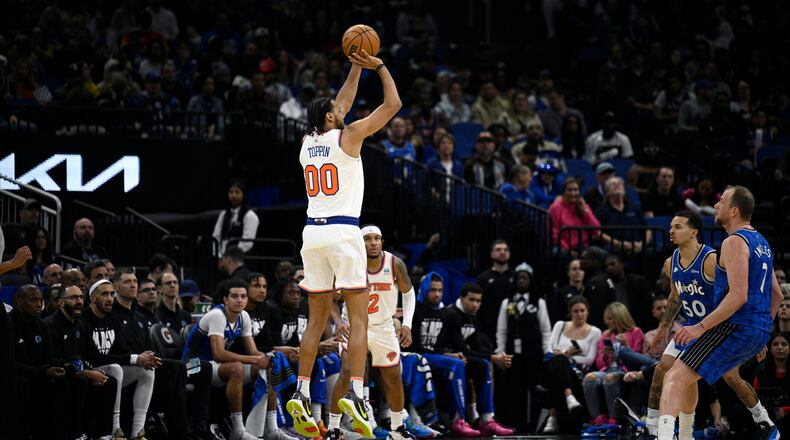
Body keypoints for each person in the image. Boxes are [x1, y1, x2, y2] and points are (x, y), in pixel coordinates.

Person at [289, 47, 401, 438]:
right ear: (331, 118)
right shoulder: (350, 136)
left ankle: (301, 393)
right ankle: (356, 392)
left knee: (316, 320)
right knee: (359, 319)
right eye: (337, 112)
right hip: (343, 232)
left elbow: (340, 102)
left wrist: (354, 65)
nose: (344, 112)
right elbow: (393, 104)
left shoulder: (307, 141)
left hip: (311, 234)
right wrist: (379, 66)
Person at [659, 186, 783, 440]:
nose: (716, 205)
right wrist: (762, 334)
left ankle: (665, 436)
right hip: (758, 329)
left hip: (735, 327)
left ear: (734, 210)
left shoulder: (734, 242)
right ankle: (765, 425)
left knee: (673, 378)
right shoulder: (763, 244)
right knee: (713, 376)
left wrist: (698, 327)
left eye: (722, 202)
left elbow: (738, 296)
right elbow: (777, 295)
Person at [326, 225, 418, 440]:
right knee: (347, 371)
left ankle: (397, 428)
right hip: (355, 327)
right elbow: (332, 298)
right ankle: (333, 428)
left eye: (377, 238)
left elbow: (409, 293)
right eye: (368, 239)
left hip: (384, 328)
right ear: (360, 242)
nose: (373, 243)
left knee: (393, 377)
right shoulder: (350, 265)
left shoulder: (394, 263)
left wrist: (407, 325)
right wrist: (339, 321)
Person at [182, 278, 272, 440]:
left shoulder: (243, 316)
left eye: (243, 296)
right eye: (234, 296)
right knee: (236, 367)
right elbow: (219, 355)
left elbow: (253, 351)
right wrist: (254, 359)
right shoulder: (217, 315)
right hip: (192, 365)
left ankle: (270, 427)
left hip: (212, 365)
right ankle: (238, 429)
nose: (239, 300)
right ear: (225, 299)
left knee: (270, 367)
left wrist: (270, 357)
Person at [83, 279, 157, 440]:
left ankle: (138, 432)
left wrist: (143, 358)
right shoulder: (84, 319)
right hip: (89, 372)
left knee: (147, 369)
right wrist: (135, 358)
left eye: (112, 294)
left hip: (110, 374)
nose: (110, 298)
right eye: (104, 294)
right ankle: (116, 430)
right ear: (92, 298)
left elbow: (121, 350)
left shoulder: (112, 318)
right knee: (116, 368)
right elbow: (93, 357)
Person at [410, 272, 482, 437]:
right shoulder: (415, 310)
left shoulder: (443, 313)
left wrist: (450, 354)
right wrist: (448, 356)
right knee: (455, 363)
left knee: (463, 363)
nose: (437, 294)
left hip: (434, 356)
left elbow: (440, 345)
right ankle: (459, 419)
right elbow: (415, 346)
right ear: (423, 290)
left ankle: (464, 418)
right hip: (416, 355)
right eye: (432, 290)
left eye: (440, 290)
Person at [45, 284, 119, 439]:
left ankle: (103, 434)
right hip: (56, 373)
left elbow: (82, 355)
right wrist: (85, 372)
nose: (79, 301)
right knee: (81, 381)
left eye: (80, 297)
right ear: (61, 302)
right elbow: (54, 360)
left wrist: (93, 370)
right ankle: (77, 433)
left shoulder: (80, 325)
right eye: (73, 298)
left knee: (109, 381)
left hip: (77, 371)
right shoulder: (50, 325)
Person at [494, 264, 550, 432]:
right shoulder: (507, 303)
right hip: (512, 352)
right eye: (519, 278)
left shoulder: (538, 302)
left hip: (533, 351)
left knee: (533, 386)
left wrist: (547, 351)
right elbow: (501, 330)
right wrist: (501, 351)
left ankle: (532, 422)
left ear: (530, 280)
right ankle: (513, 421)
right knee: (514, 386)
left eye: (525, 278)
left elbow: (545, 329)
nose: (522, 281)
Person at [10, 285, 70, 439]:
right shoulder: (7, 325)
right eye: (33, 300)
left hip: (38, 373)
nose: (39, 304)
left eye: (41, 300)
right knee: (22, 383)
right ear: (18, 302)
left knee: (62, 381)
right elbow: (9, 363)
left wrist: (57, 368)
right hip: (14, 375)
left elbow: (48, 358)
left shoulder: (42, 326)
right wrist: (42, 372)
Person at [540, 296, 601, 433]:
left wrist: (567, 356)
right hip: (553, 367)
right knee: (559, 362)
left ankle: (552, 417)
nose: (579, 314)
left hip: (577, 373)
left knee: (560, 361)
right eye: (576, 311)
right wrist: (564, 355)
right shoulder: (560, 325)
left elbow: (590, 359)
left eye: (582, 310)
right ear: (570, 312)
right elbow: (549, 349)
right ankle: (569, 396)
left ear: (587, 311)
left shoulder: (595, 332)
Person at [583, 302, 644, 425]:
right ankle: (597, 417)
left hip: (625, 371)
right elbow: (600, 365)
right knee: (589, 378)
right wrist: (605, 355)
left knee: (609, 378)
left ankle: (614, 418)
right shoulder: (605, 335)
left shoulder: (636, 332)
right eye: (606, 319)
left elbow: (638, 359)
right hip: (607, 369)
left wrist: (626, 346)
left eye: (610, 319)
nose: (607, 322)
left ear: (619, 317)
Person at [476, 239, 516, 341]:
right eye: (498, 249)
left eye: (505, 250)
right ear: (491, 254)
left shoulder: (516, 277)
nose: (502, 252)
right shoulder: (483, 278)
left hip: (512, 325)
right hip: (488, 327)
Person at [549, 178, 601, 254]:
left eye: (576, 190)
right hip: (563, 248)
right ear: (563, 192)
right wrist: (569, 251)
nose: (573, 193)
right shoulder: (555, 208)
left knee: (602, 254)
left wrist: (585, 211)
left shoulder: (583, 205)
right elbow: (554, 235)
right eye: (569, 190)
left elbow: (596, 230)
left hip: (584, 247)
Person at [602, 254, 653, 330]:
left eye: (612, 264)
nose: (609, 267)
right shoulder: (605, 286)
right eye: (606, 266)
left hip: (639, 325)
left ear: (621, 264)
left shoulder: (639, 282)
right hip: (616, 328)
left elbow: (647, 305)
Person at [753, 332, 790, 436]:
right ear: (770, 347)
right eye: (775, 344)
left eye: (784, 344)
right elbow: (754, 393)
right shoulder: (761, 370)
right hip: (767, 411)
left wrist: (786, 410)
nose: (779, 348)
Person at [212, 181, 260, 256]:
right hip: (223, 257)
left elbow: (247, 242)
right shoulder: (223, 214)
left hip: (241, 258)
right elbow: (216, 236)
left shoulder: (250, 216)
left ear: (243, 195)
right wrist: (219, 255)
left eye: (237, 192)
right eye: (231, 192)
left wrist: (232, 256)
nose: (233, 195)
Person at [549, 259, 586, 323]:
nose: (578, 272)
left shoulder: (588, 290)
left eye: (581, 269)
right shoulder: (560, 293)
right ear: (568, 272)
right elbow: (555, 317)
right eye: (574, 269)